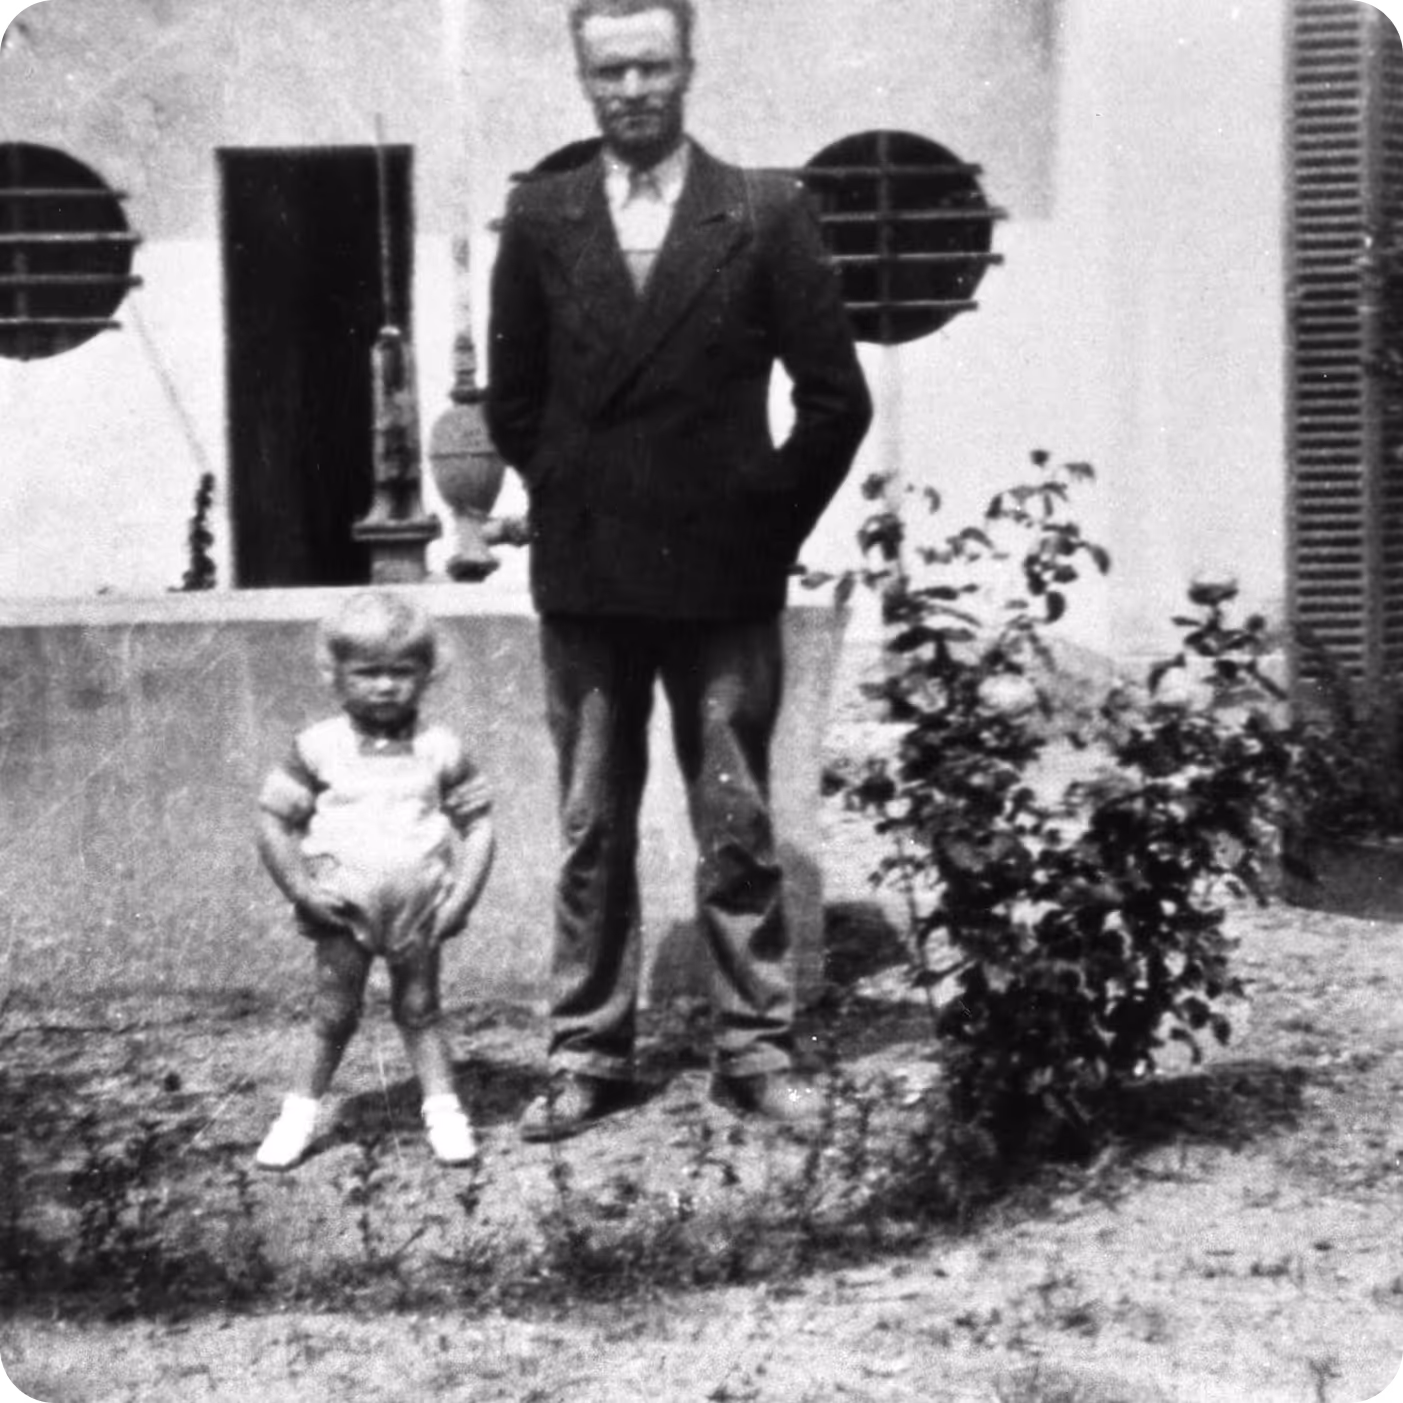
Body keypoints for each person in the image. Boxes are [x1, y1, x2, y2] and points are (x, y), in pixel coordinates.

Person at [485, 0, 872, 1140]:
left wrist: (760, 521)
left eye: (652, 65)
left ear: (688, 66)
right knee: (590, 823)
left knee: (736, 818)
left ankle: (755, 1050)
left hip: (721, 578)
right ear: (581, 77)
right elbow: (512, 399)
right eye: (610, 71)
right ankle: (586, 1053)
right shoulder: (542, 212)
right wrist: (579, 490)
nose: (632, 90)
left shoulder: (762, 209)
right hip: (591, 576)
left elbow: (834, 400)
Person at [253, 591, 495, 1169]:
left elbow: (479, 824)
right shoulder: (318, 746)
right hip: (344, 907)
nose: (385, 686)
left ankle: (444, 1114)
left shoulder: (440, 747)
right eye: (367, 672)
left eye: (401, 672)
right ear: (333, 675)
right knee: (334, 1013)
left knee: (420, 1010)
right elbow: (273, 820)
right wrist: (301, 890)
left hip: (418, 908)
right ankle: (297, 1117)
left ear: (427, 674)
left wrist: (461, 900)